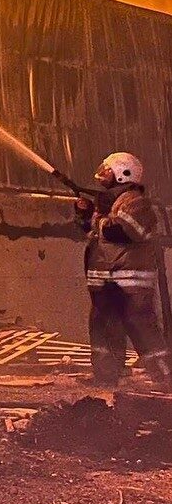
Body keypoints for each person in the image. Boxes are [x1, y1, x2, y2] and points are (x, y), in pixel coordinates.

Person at [74, 152, 172, 390]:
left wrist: (99, 218)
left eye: (108, 170)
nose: (102, 175)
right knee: (102, 327)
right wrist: (85, 215)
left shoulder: (135, 201)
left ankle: (165, 377)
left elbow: (124, 231)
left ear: (122, 173)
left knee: (141, 326)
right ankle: (107, 377)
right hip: (107, 278)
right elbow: (95, 234)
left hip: (129, 279)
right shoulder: (109, 203)